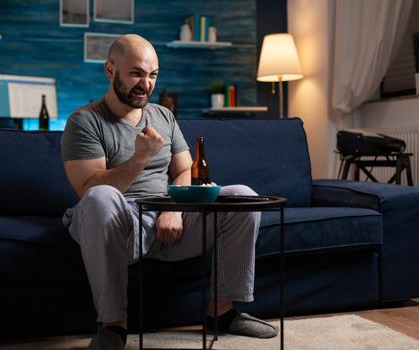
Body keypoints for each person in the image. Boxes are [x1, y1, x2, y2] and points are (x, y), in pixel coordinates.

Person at [61, 34, 278, 350]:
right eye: (136, 73)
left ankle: (222, 313)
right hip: (117, 224)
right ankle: (112, 325)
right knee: (100, 198)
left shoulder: (164, 116)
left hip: (166, 223)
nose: (145, 84)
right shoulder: (85, 121)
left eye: (152, 75)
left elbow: (185, 170)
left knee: (242, 194)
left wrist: (173, 208)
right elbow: (89, 188)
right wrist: (141, 157)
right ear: (110, 70)